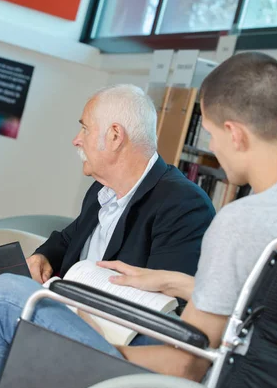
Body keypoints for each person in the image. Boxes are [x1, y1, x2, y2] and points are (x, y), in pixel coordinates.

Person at [0, 52, 277, 388]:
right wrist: (173, 282)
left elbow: (186, 366)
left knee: (8, 295)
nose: (213, 148)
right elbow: (269, 316)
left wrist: (79, 336)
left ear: (234, 133)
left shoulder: (240, 221)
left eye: (213, 134)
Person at [28, 84, 215, 286]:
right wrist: (44, 256)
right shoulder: (101, 190)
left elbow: (166, 301)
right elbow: (69, 239)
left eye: (85, 129)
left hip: (97, 316)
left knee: (1, 290)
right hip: (65, 307)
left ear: (115, 136)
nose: (76, 140)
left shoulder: (183, 204)